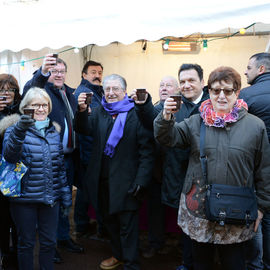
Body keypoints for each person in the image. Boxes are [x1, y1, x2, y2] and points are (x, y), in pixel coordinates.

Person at [154, 66, 270, 270]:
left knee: (234, 263)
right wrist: (165, 116)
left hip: (237, 211)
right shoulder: (195, 122)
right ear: (210, 92)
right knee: (201, 263)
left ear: (237, 92)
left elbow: (264, 170)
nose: (222, 96)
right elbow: (167, 138)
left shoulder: (255, 125)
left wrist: (261, 208)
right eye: (216, 90)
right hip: (199, 209)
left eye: (228, 90)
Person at [132, 65, 209, 270]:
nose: (186, 85)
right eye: (182, 81)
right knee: (186, 220)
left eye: (191, 80)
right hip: (177, 173)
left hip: (207, 176)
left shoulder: (213, 103)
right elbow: (152, 119)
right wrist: (144, 103)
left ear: (203, 82)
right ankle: (187, 261)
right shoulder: (173, 105)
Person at [74, 74, 154, 270]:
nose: (110, 93)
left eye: (115, 89)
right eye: (107, 89)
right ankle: (118, 255)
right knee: (110, 223)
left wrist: (141, 180)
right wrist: (82, 111)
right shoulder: (100, 112)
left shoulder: (137, 113)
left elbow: (147, 151)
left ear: (124, 91)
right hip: (101, 181)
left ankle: (131, 264)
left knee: (127, 227)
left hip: (127, 182)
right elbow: (83, 129)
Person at [2, 87, 72, 270]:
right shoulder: (13, 129)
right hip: (24, 200)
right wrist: (20, 131)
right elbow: (10, 157)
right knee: (26, 244)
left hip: (50, 199)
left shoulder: (53, 132)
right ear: (26, 108)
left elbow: (60, 168)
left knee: (49, 243)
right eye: (35, 105)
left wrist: (65, 196)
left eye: (44, 105)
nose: (40, 109)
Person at [23, 54, 83, 262]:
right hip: (48, 158)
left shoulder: (69, 92)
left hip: (68, 157)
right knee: (51, 204)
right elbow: (30, 89)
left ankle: (64, 237)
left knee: (65, 201)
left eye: (61, 71)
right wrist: (42, 72)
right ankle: (51, 245)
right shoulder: (43, 91)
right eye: (54, 71)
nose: (58, 74)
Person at [239, 52, 270, 270]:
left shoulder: (247, 95)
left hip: (257, 166)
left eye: (248, 67)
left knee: (257, 216)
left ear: (261, 69)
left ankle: (256, 264)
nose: (244, 71)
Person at [73, 60, 105, 238]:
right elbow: (90, 127)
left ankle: (82, 224)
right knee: (88, 190)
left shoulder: (94, 92)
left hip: (89, 151)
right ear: (84, 75)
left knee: (85, 190)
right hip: (89, 151)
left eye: (100, 72)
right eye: (93, 72)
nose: (97, 75)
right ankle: (84, 225)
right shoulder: (85, 93)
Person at [0, 74, 21, 269]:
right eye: (2, 90)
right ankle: (4, 254)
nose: (6, 94)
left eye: (11, 90)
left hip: (16, 174)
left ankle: (16, 255)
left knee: (18, 218)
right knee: (2, 217)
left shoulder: (22, 112)